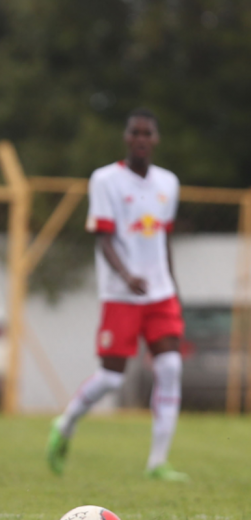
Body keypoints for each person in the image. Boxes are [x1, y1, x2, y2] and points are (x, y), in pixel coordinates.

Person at [46, 108, 187, 482]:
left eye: (148, 133)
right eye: (135, 132)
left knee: (171, 368)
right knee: (112, 379)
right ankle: (66, 423)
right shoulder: (106, 180)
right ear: (127, 137)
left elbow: (164, 238)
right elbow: (103, 236)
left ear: (155, 140)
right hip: (121, 295)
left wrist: (173, 286)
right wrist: (127, 276)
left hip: (160, 295)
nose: (141, 139)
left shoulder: (168, 183)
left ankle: (157, 463)